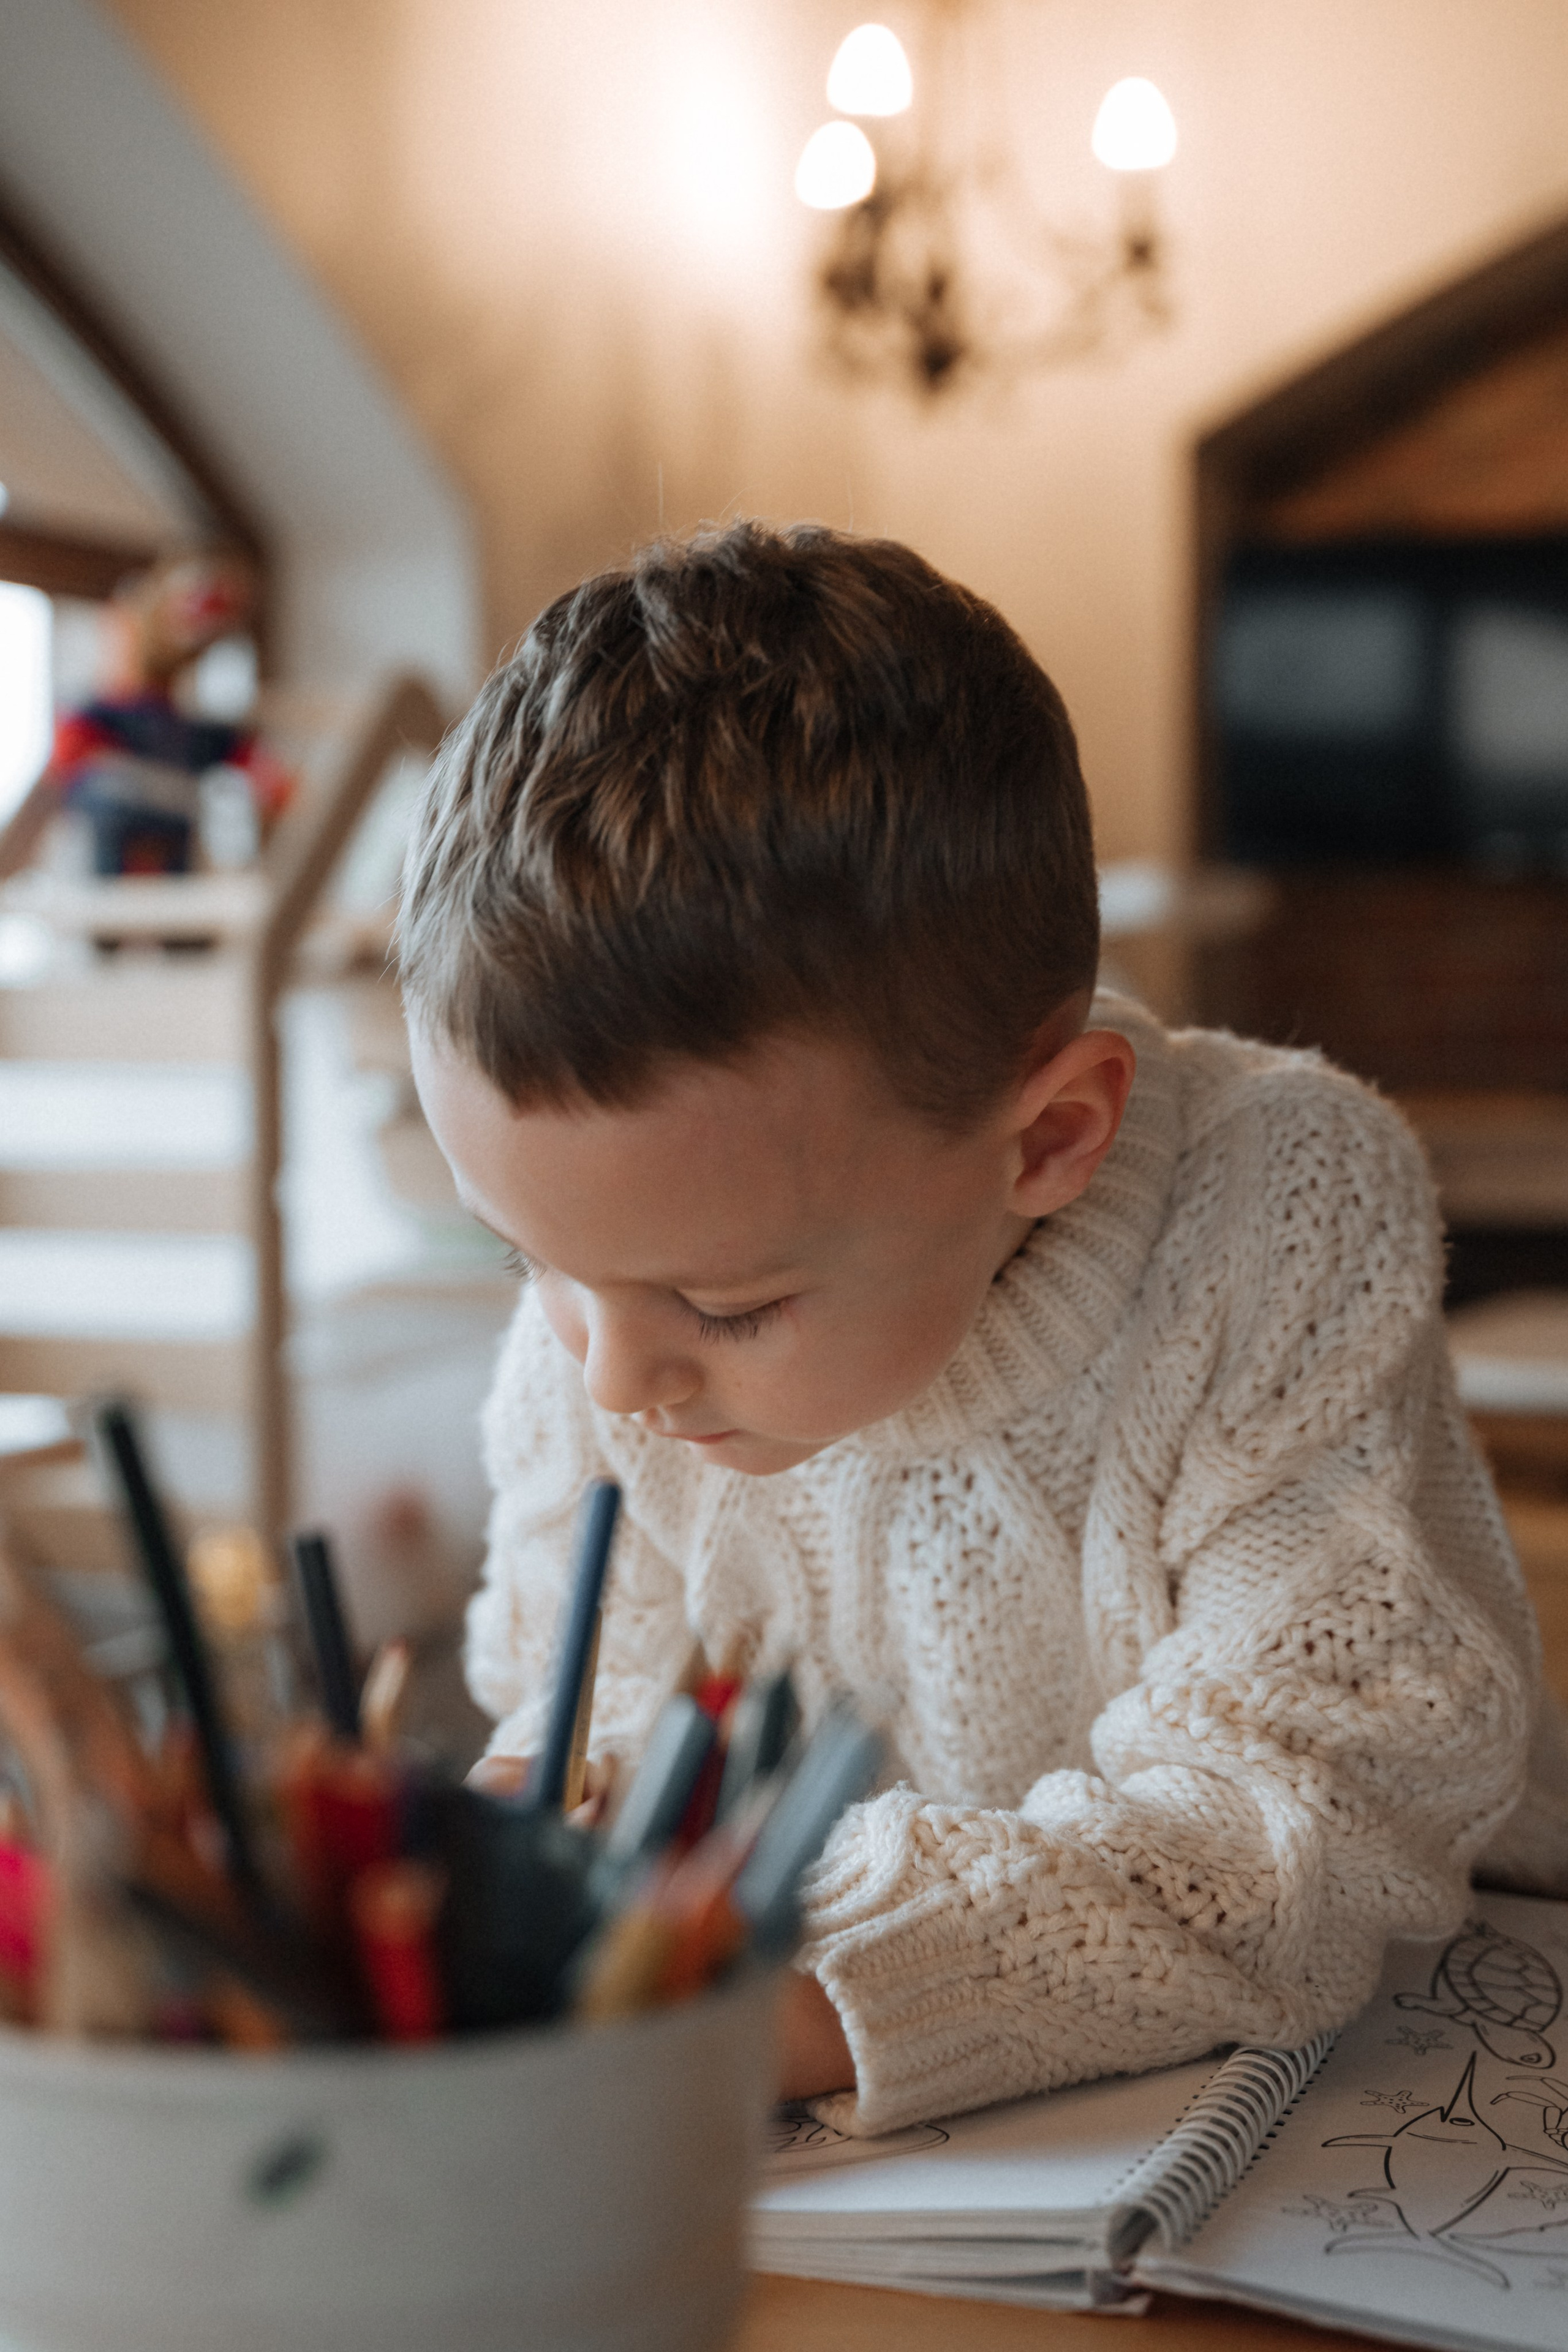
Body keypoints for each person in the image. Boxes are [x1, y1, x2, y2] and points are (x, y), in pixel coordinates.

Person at [399, 521, 1568, 2136]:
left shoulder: (1279, 1203)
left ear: (1046, 1144)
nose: (610, 1375)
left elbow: (1315, 1803)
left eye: (731, 1305)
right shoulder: (625, 1289)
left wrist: (790, 2004)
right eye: (525, 1259)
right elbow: (596, 1723)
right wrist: (554, 1828)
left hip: (1383, 2075)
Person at [0, 549, 291, 885]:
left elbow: (275, 786)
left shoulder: (201, 734)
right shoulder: (93, 723)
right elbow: (44, 799)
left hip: (176, 889)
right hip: (106, 891)